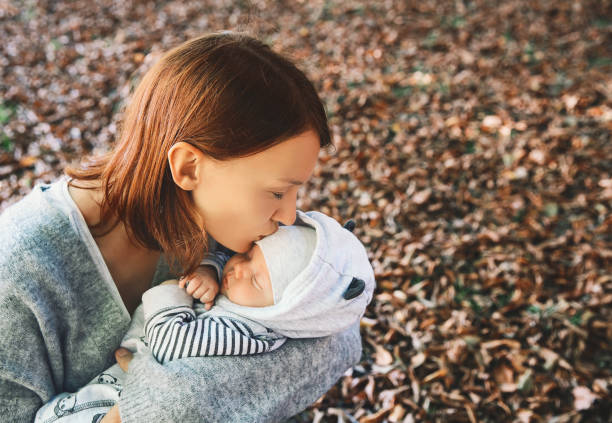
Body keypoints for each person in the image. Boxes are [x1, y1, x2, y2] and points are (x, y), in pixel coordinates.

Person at [0, 32, 365, 422]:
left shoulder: (221, 218)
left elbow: (339, 333)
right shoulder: (18, 271)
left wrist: (170, 400)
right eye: (278, 193)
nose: (291, 217)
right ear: (188, 167)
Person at [34, 212, 375, 422]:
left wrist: (172, 292)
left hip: (128, 395)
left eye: (256, 279)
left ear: (284, 310)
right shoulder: (245, 289)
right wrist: (209, 269)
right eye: (251, 254)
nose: (238, 269)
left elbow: (170, 344)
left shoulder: (246, 333)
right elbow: (224, 255)